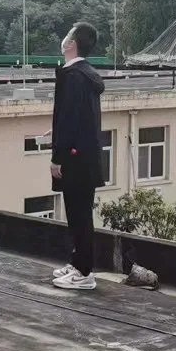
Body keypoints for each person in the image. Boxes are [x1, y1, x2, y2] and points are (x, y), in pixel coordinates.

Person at [50, 22, 104, 290]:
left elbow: (70, 120)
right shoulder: (84, 74)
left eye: (67, 35)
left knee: (80, 215)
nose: (64, 39)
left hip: (75, 157)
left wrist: (58, 156)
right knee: (77, 213)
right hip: (85, 155)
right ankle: (77, 262)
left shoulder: (74, 77)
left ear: (72, 44)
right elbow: (77, 119)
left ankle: (84, 273)